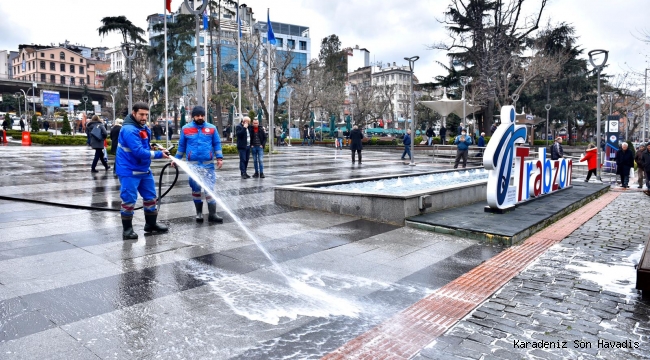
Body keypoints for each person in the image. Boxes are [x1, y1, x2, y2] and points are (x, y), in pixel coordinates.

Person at [115, 102, 169, 240]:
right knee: (129, 199)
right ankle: (127, 230)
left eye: (146, 114)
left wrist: (156, 148)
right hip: (129, 170)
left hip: (144, 169)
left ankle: (151, 225)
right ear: (134, 113)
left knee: (151, 197)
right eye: (141, 114)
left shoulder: (143, 127)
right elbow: (138, 151)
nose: (144, 117)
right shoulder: (129, 130)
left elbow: (144, 145)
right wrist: (158, 155)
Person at [174, 105, 224, 223]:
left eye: (202, 115)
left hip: (208, 165)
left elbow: (217, 144)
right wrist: (176, 159)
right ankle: (199, 213)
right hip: (193, 166)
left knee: (209, 189)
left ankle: (213, 214)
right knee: (196, 189)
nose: (200, 117)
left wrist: (219, 158)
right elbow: (182, 146)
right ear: (193, 116)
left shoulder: (211, 128)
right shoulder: (186, 128)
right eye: (197, 115)